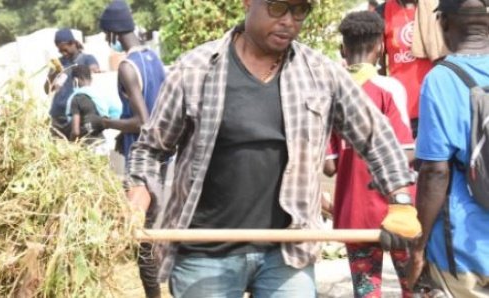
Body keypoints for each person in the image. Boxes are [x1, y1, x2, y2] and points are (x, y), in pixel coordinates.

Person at [126, 0, 421, 296]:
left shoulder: (320, 74)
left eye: (300, 11)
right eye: (278, 7)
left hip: (286, 254)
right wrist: (138, 197)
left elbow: (375, 136)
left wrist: (401, 201)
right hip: (205, 253)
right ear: (247, 3)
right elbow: (150, 149)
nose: (289, 21)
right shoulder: (195, 70)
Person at [324, 11, 415, 298]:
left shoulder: (331, 93)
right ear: (381, 47)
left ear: (342, 49)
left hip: (354, 213)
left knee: (366, 290)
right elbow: (406, 153)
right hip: (396, 210)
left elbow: (329, 166)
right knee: (412, 285)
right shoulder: (388, 89)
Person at [408, 0, 489, 296]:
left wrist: (419, 245)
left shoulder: (441, 79)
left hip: (461, 249)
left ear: (442, 23)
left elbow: (435, 172)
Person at [99, 1, 166, 297]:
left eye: (106, 34)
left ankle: (152, 293)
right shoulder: (153, 58)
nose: (106, 40)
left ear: (112, 31)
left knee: (142, 234)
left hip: (141, 160)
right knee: (160, 229)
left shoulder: (128, 66)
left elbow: (143, 121)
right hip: (165, 155)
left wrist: (106, 122)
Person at [377, 0, 434, 138]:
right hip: (401, 111)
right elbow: (380, 67)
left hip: (433, 106)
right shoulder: (382, 12)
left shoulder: (434, 6)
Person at [45, 28, 100, 138]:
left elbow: (95, 69)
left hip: (77, 116)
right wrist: (52, 75)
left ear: (73, 43)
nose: (63, 53)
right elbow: (47, 90)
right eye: (60, 51)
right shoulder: (58, 63)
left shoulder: (87, 59)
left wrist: (91, 70)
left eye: (65, 50)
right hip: (57, 116)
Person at [67, 64, 107, 143]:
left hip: (87, 146)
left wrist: (70, 143)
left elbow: (76, 131)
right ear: (91, 79)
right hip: (102, 142)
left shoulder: (77, 98)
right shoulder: (98, 96)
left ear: (75, 81)